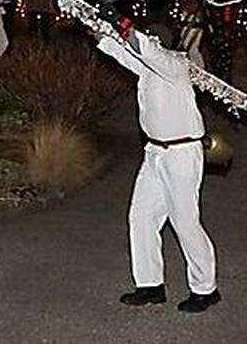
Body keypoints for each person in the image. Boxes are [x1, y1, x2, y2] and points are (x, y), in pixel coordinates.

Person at [94, 23, 220, 313]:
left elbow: (145, 50)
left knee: (185, 222)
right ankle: (150, 285)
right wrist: (96, 26)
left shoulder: (174, 64)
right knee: (141, 216)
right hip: (154, 154)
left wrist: (125, 28)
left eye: (148, 40)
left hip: (181, 154)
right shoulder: (148, 68)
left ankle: (205, 288)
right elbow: (119, 52)